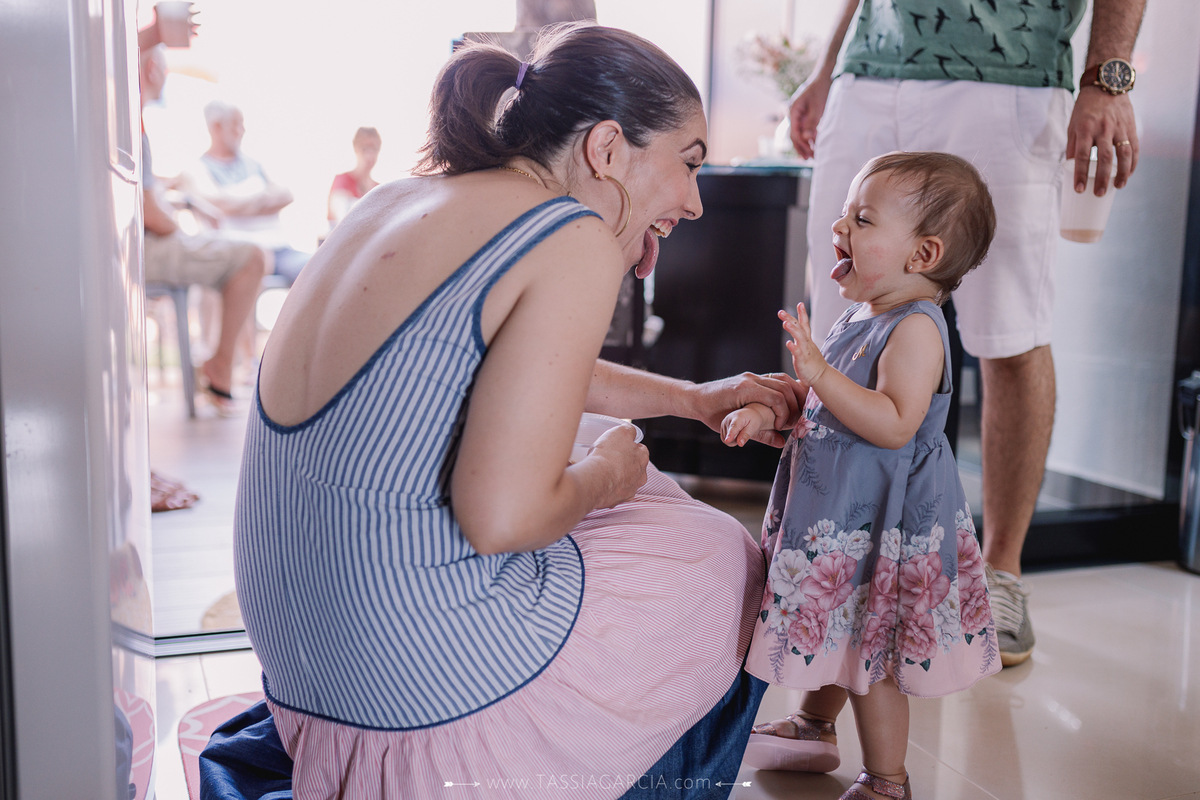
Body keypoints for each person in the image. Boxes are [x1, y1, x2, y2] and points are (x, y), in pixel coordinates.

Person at [203, 24, 804, 799]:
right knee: (720, 559)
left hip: (311, 672)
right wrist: (604, 478)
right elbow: (504, 519)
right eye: (687, 164)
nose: (692, 202)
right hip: (422, 693)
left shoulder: (395, 200)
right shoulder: (570, 235)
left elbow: (517, 364)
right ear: (608, 148)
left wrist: (695, 401)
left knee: (612, 461)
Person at [783, 0, 1146, 672]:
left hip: (1007, 74)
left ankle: (1000, 576)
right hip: (869, 73)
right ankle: (837, 558)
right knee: (844, 318)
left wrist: (1107, 77)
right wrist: (827, 69)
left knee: (1010, 330)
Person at [722, 152, 1000, 799]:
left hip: (885, 531)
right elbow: (824, 404)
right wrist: (775, 405)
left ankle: (887, 779)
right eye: (845, 213)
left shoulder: (916, 330)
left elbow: (897, 422)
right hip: (844, 520)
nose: (840, 227)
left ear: (924, 255)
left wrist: (820, 374)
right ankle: (815, 726)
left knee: (870, 656)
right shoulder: (862, 315)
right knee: (839, 629)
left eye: (863, 218)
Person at [140, 45, 266, 414]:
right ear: (151, 69)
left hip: (148, 241)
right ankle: (220, 367)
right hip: (147, 246)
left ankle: (218, 363)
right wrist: (176, 219)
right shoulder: (134, 126)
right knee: (252, 258)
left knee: (239, 255)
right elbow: (153, 214)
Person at [186, 101, 310, 284]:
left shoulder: (255, 164)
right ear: (216, 127)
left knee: (324, 271)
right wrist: (263, 200)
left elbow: (286, 195)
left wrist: (238, 203)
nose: (242, 130)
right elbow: (219, 206)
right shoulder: (197, 170)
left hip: (281, 251)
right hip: (241, 257)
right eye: (236, 124)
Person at [326, 126, 381, 225]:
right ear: (356, 148)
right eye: (365, 148)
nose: (370, 154)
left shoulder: (379, 188)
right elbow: (343, 214)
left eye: (375, 148)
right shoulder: (342, 181)